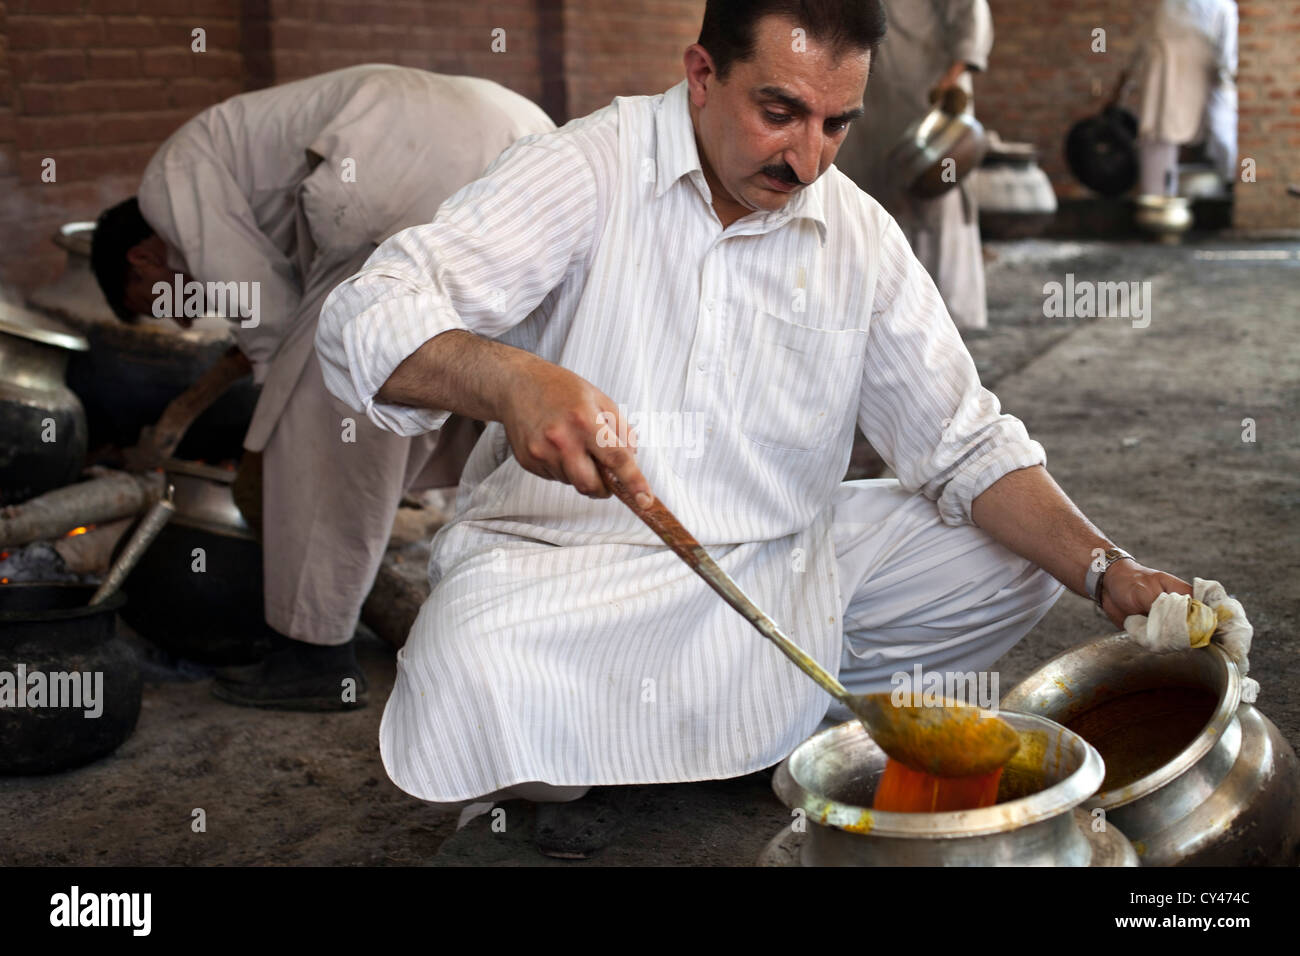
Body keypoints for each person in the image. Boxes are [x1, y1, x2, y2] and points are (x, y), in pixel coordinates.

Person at [317, 0, 1203, 858]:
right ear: (702, 74)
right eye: (781, 112)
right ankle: (664, 754)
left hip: (781, 576)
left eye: (836, 124)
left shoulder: (856, 232)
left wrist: (1106, 568)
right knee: (474, 662)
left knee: (1015, 558)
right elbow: (370, 312)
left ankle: (749, 727)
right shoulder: (587, 168)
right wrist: (512, 380)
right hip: (568, 573)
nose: (808, 159)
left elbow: (963, 440)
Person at [90, 65, 554, 710]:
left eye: (154, 301)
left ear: (140, 260)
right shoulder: (233, 147)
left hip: (400, 164)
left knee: (320, 414)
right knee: (510, 382)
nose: (177, 315)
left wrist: (269, 403)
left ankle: (313, 657)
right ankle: (531, 631)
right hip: (521, 137)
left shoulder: (168, 180)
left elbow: (263, 308)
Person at [834, 0, 993, 331]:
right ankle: (870, 314)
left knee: (932, 198)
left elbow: (970, 16)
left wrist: (951, 79)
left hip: (929, 97)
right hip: (873, 94)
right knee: (866, 197)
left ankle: (938, 322)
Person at [1136, 0, 1238, 196]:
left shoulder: (1219, 7)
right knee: (1160, 140)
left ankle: (1231, 187)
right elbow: (1229, 62)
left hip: (1198, 84)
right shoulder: (1168, 6)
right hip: (1168, 87)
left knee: (1221, 131)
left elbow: (1228, 63)